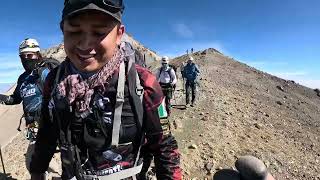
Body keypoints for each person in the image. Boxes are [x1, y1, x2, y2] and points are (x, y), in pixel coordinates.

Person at [30, 1, 181, 180]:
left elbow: (164, 146)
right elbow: (47, 134)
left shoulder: (142, 82)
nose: (85, 44)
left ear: (119, 35)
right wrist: (37, 171)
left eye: (99, 32)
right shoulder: (54, 81)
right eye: (74, 31)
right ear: (63, 31)